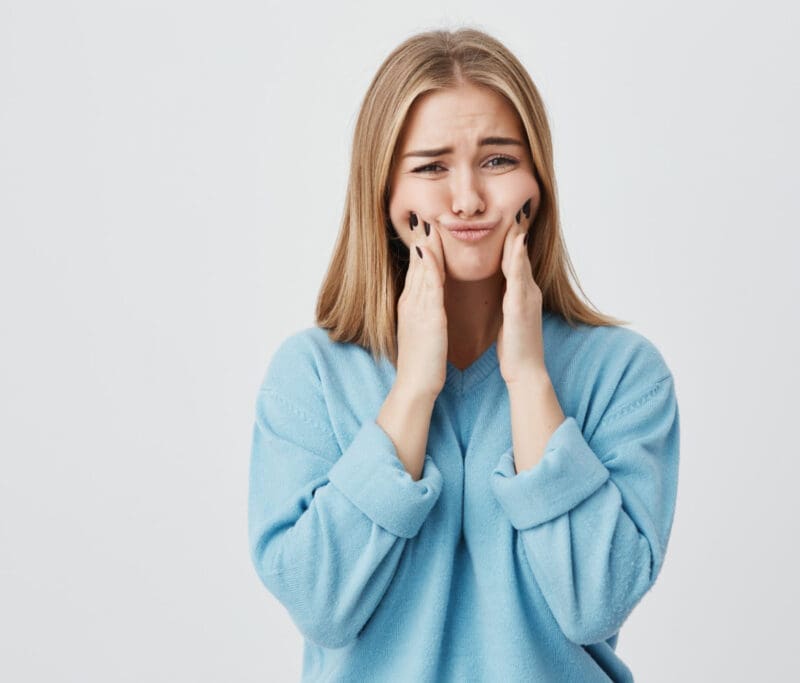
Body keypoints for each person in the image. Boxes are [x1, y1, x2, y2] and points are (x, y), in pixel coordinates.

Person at [248, 27, 680, 682]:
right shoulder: (309, 374)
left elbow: (597, 602)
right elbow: (320, 604)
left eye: (498, 160)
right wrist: (413, 392)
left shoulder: (623, 374)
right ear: (385, 192)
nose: (468, 198)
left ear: (538, 182)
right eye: (430, 166)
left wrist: (530, 378)